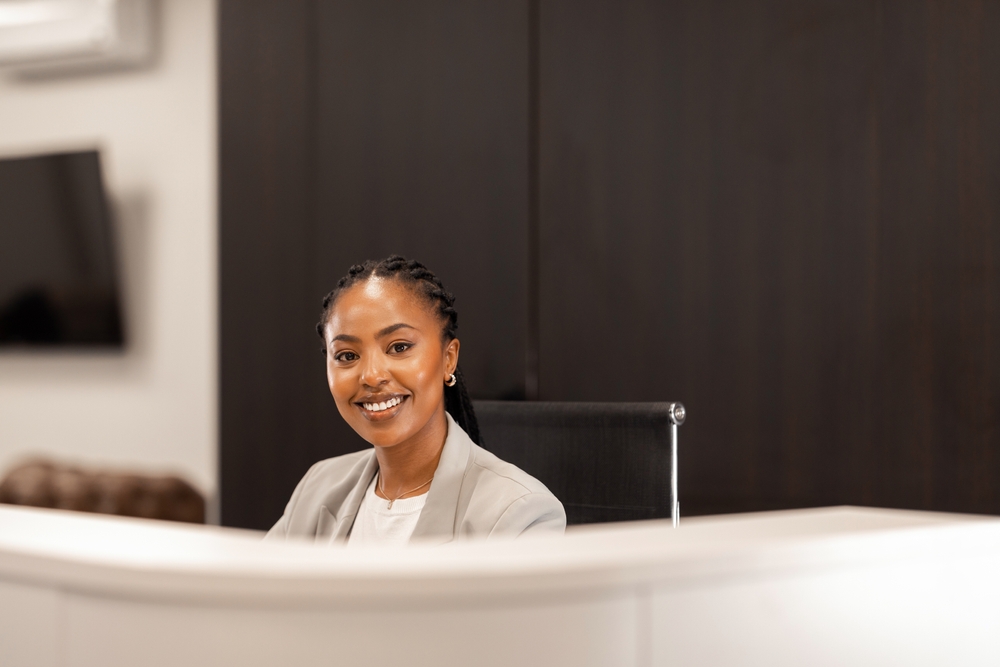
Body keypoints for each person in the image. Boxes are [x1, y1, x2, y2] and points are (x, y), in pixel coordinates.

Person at [265, 256, 565, 546]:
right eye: (347, 356)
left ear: (448, 359)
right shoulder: (318, 486)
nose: (371, 376)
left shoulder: (518, 513)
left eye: (398, 347)